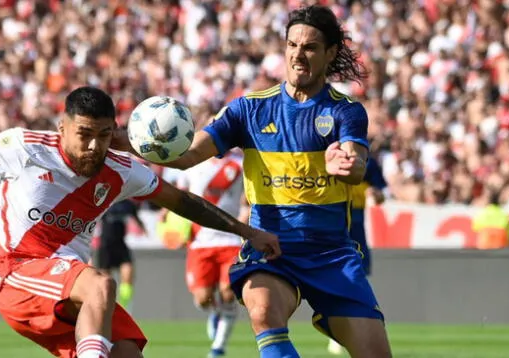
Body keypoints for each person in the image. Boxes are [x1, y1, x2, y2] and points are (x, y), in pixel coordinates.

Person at [0, 86, 280, 358]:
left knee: (127, 354)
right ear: (63, 127)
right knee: (101, 283)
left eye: (103, 135)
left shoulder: (123, 170)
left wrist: (246, 231)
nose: (93, 146)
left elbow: (184, 202)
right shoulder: (26, 147)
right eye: (84, 135)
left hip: (68, 289)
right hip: (17, 274)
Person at [112, 5, 392, 357]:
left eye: (309, 47)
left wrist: (347, 164)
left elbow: (356, 162)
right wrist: (136, 145)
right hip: (271, 247)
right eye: (292, 45)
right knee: (262, 310)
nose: (298, 55)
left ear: (330, 53)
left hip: (331, 253)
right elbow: (187, 157)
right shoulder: (248, 110)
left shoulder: (345, 110)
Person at [174, 152, 246, 357]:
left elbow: (249, 194)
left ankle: (218, 346)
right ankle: (215, 313)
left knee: (228, 292)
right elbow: (180, 196)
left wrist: (246, 209)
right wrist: (174, 226)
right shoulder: (191, 163)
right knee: (203, 298)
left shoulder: (239, 163)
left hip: (231, 239)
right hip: (200, 241)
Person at [328, 156, 387, 355]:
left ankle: (351, 329)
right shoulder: (324, 148)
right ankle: (337, 329)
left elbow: (380, 192)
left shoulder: (367, 158)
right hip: (331, 216)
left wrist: (375, 194)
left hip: (357, 220)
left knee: (357, 276)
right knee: (334, 276)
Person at [93, 198, 145, 312]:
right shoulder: (104, 202)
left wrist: (143, 229)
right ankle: (106, 310)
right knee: (104, 283)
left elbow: (136, 218)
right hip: (105, 246)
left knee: (128, 275)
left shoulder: (127, 204)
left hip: (121, 244)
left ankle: (125, 309)